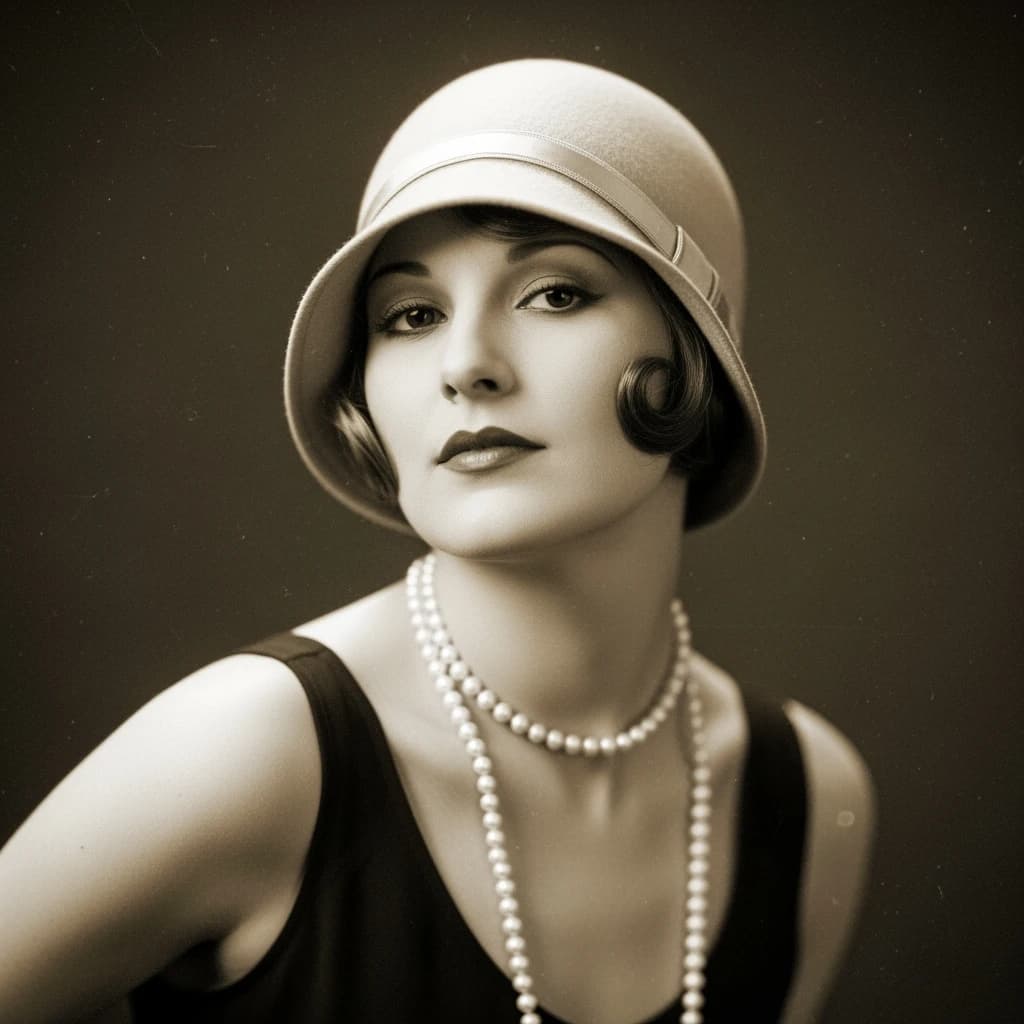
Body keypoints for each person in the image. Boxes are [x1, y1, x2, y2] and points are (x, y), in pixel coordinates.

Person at [0, 60, 874, 1024]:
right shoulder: (245, 749)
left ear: (697, 352)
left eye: (554, 294)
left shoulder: (807, 797)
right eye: (411, 316)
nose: (465, 367)